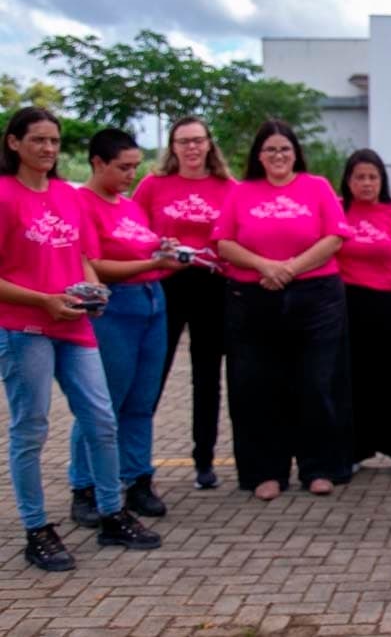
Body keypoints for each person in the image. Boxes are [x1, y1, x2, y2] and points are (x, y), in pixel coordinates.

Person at [0, 108, 160, 572]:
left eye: (54, 141)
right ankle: (36, 528)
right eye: (38, 141)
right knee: (30, 429)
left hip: (75, 324)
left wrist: (95, 289)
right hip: (23, 328)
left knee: (101, 419)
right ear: (14, 143)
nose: (48, 149)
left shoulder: (66, 196)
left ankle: (112, 513)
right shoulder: (5, 195)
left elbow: (83, 257)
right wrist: (43, 300)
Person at [212, 119, 353, 500]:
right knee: (258, 387)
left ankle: (319, 467)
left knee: (316, 383)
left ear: (296, 154)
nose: (278, 156)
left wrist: (289, 268)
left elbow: (335, 237)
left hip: (316, 297)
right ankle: (265, 472)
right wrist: (266, 267)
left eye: (285, 149)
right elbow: (223, 242)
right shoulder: (242, 192)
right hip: (253, 296)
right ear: (259, 155)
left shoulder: (317, 187)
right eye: (270, 150)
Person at [72, 128, 185, 525]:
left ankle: (136, 478)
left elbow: (140, 245)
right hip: (115, 307)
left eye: (136, 167)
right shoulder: (81, 204)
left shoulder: (128, 205)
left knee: (141, 400)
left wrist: (161, 251)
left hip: (152, 302)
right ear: (98, 163)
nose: (131, 175)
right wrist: (153, 263)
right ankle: (84, 485)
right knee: (104, 401)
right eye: (123, 167)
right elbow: (95, 264)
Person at [133, 116, 233, 490]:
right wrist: (159, 249)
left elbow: (237, 235)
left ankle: (204, 460)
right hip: (167, 285)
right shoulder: (153, 185)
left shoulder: (227, 187)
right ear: (172, 147)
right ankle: (136, 463)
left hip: (212, 287)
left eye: (198, 140)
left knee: (207, 377)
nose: (191, 148)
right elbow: (134, 231)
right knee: (153, 375)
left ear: (209, 144)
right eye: (183, 141)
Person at [336, 149, 391, 474]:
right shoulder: (338, 211)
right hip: (350, 306)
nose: (367, 183)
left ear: (382, 180)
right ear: (349, 181)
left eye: (373, 177)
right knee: (355, 380)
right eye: (360, 177)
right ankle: (355, 449)